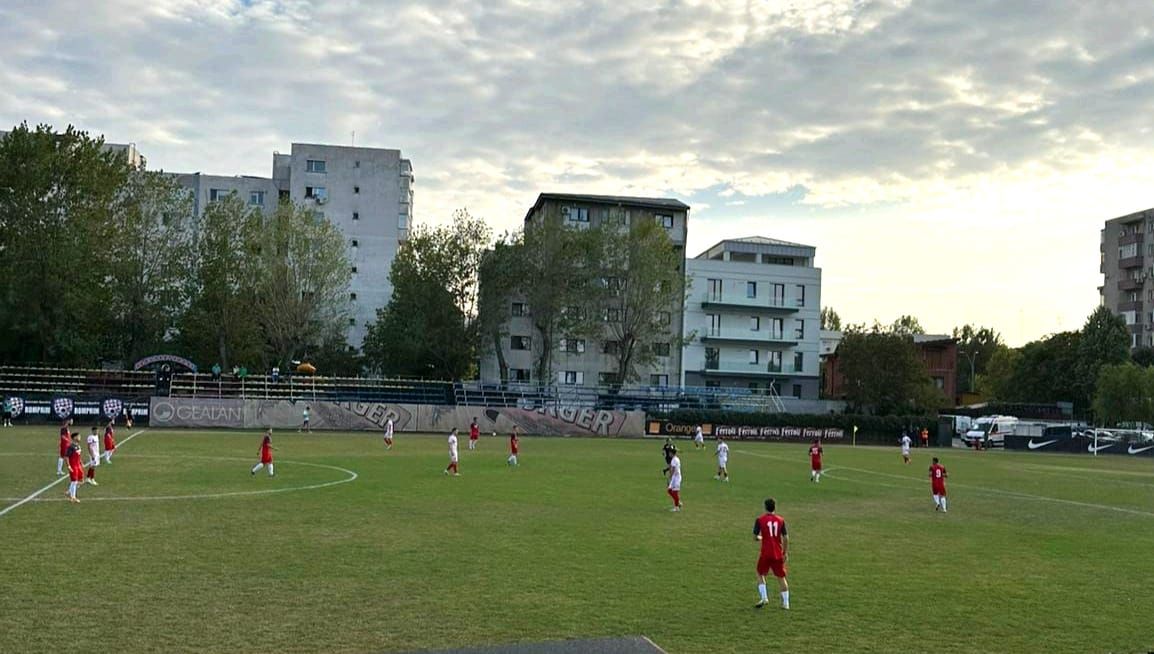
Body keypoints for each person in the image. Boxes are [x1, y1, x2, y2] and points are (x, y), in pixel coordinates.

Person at [753, 498, 789, 610]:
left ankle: (764, 597)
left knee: (760, 573)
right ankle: (786, 603)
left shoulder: (760, 520)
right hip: (778, 553)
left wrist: (761, 537)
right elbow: (786, 537)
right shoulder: (781, 520)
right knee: (781, 577)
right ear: (775, 507)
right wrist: (785, 552)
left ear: (765, 507)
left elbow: (755, 537)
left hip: (766, 553)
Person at [65, 433, 84, 503]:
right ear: (74, 437)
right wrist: (69, 466)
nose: (80, 437)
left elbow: (78, 455)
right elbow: (66, 457)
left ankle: (69, 491)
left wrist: (81, 462)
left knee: (81, 480)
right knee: (74, 481)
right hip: (73, 465)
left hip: (78, 465)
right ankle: (73, 497)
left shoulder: (78, 446)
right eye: (78, 436)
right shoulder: (70, 447)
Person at [667, 447, 682, 511]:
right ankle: (678, 502)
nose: (669, 453)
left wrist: (669, 477)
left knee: (675, 492)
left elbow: (672, 470)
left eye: (669, 452)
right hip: (675, 477)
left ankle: (676, 507)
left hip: (676, 478)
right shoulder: (676, 458)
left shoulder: (674, 460)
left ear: (671, 453)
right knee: (669, 490)